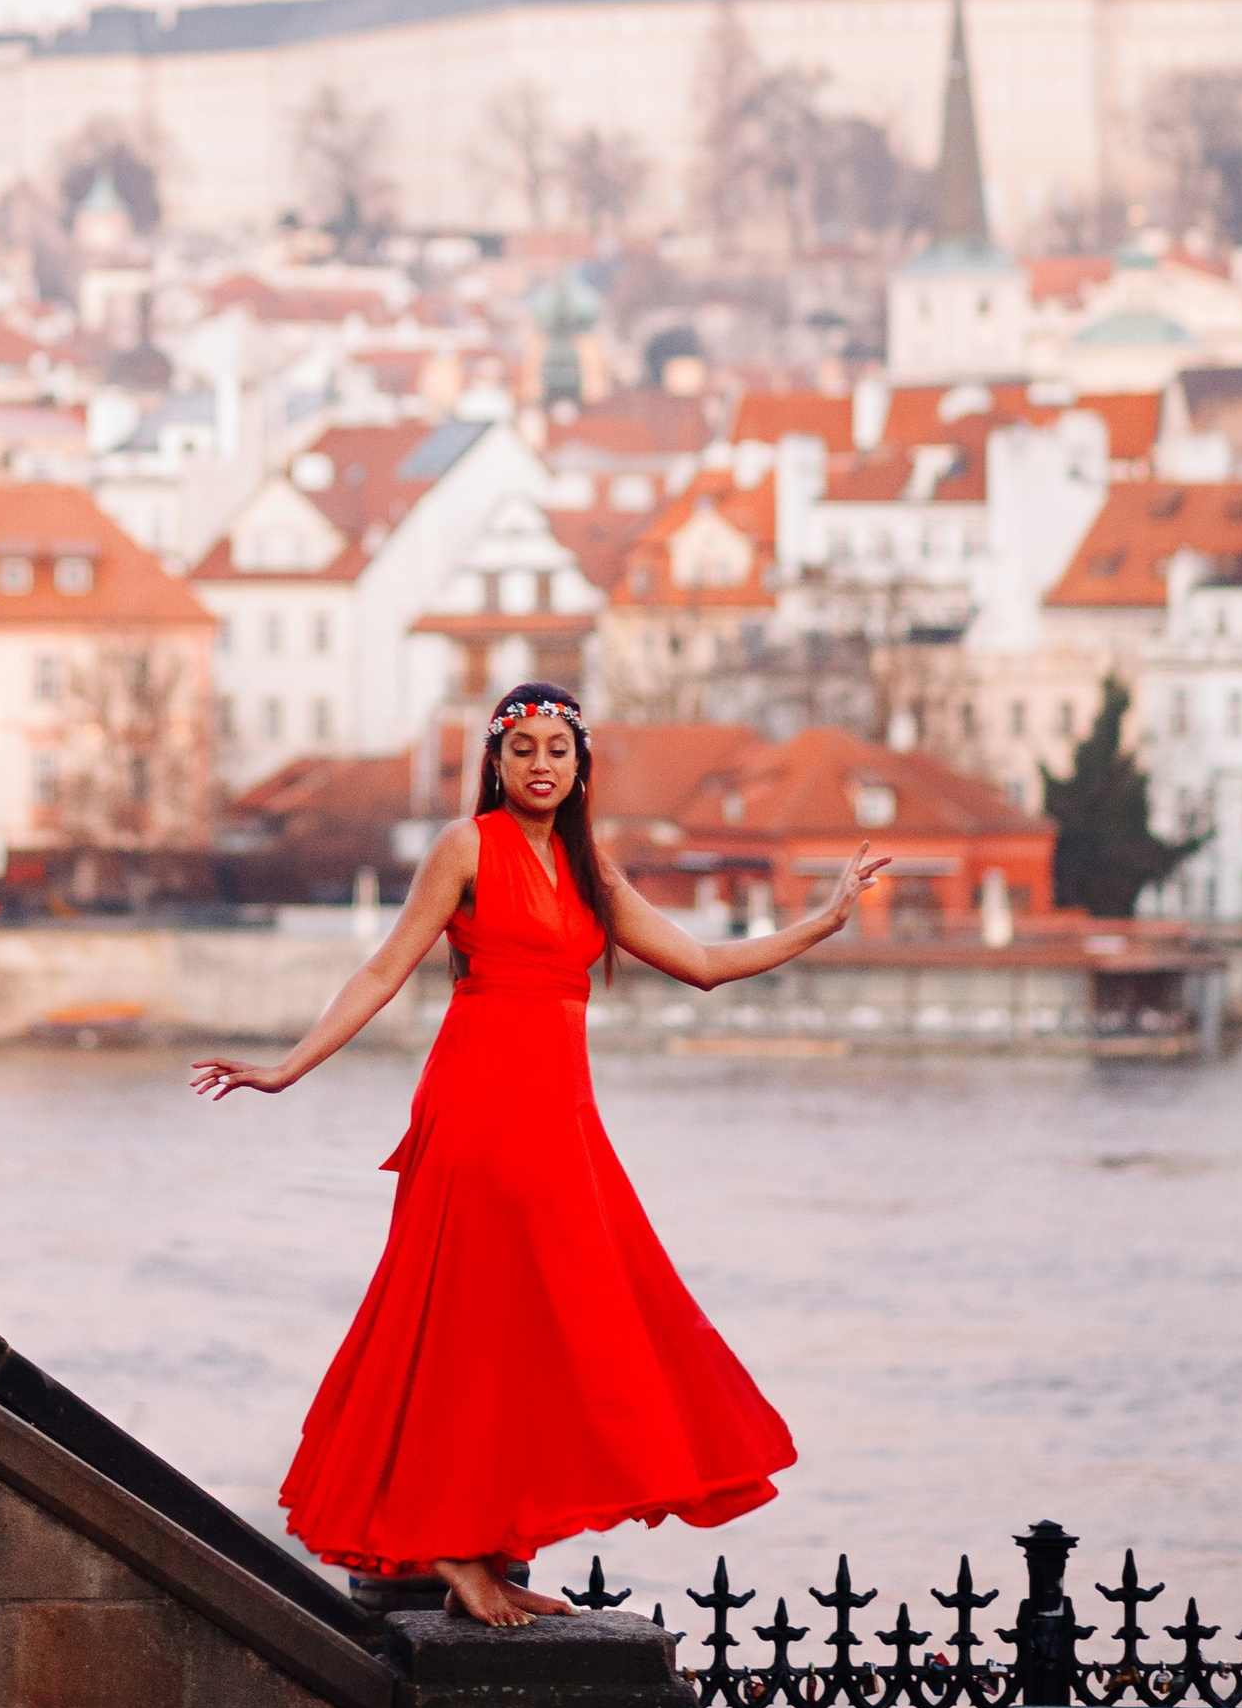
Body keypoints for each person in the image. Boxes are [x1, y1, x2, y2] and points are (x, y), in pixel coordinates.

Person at [193, 684, 885, 1626]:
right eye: (523, 750)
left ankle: (495, 1541)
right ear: (498, 762)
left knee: (560, 1319)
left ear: (579, 763)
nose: (541, 765)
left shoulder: (588, 862)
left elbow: (704, 962)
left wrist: (824, 920)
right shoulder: (464, 847)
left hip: (561, 1120)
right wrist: (287, 1069)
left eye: (558, 747)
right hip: (478, 1108)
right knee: (467, 1318)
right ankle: (449, 1542)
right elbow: (384, 968)